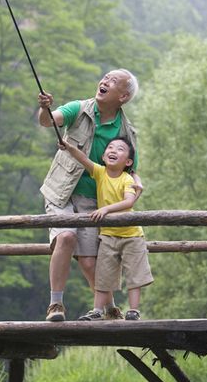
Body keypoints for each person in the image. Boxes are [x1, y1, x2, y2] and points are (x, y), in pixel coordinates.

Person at [38, 69, 142, 322]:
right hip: (60, 191)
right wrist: (44, 108)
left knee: (88, 262)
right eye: (105, 77)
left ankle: (109, 310)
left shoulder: (127, 133)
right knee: (65, 237)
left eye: (113, 81)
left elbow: (131, 170)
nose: (105, 81)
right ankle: (55, 305)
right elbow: (48, 121)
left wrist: (137, 184)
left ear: (124, 96)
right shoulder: (79, 108)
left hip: (95, 200)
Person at [58, 135, 153, 320]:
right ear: (103, 157)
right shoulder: (100, 173)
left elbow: (129, 201)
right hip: (108, 235)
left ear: (128, 161)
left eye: (120, 149)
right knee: (103, 276)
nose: (113, 151)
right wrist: (68, 147)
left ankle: (133, 311)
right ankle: (97, 311)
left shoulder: (126, 179)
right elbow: (83, 158)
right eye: (110, 147)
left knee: (134, 274)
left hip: (131, 234)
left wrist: (106, 209)